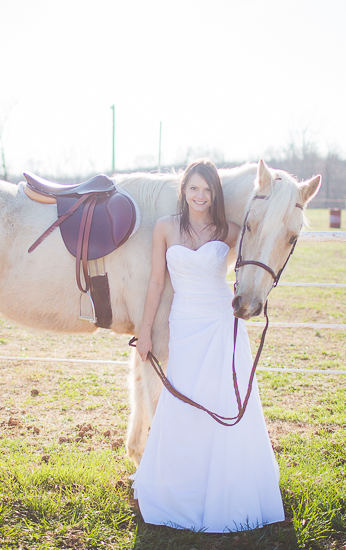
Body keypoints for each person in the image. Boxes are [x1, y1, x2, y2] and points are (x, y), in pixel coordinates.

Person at [132, 158, 285, 532]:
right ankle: (183, 487)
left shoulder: (228, 230)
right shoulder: (165, 227)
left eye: (207, 190)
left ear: (215, 194)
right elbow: (156, 283)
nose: (200, 196)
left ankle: (228, 487)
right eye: (193, 188)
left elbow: (262, 246)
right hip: (185, 322)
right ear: (184, 191)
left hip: (220, 320)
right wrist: (145, 331)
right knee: (184, 400)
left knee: (224, 398)